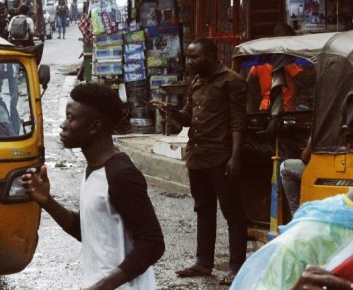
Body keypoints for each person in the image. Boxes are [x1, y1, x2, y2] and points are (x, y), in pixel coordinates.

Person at [22, 83, 164, 289]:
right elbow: (88, 232)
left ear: (95, 127)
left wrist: (101, 286)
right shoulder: (94, 169)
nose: (63, 125)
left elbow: (153, 244)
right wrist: (47, 201)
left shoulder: (121, 174)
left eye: (71, 118)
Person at [230, 94, 353, 289]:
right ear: (349, 139)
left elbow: (305, 157)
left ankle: (295, 209)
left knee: (286, 168)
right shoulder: (303, 243)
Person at [159, 38, 248, 285]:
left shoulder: (231, 81)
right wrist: (172, 112)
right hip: (197, 156)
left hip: (221, 156)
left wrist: (235, 157)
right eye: (189, 57)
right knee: (203, 209)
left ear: (210, 55)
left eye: (194, 57)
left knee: (233, 212)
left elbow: (239, 122)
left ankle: (236, 266)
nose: (190, 62)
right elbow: (188, 118)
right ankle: (203, 262)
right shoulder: (196, 82)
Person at [280, 137, 311, 215]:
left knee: (284, 167)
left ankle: (296, 214)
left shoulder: (321, 126)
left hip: (320, 170)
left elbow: (305, 158)